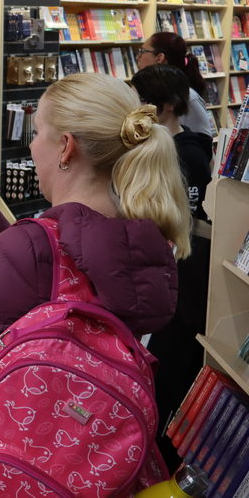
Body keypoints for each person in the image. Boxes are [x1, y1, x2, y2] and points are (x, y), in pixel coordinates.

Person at [0, 73, 185, 375]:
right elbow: (42, 280)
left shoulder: (36, 246)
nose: (31, 147)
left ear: (66, 147)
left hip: (19, 414)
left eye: (36, 133)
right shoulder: (137, 232)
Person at [132, 63, 213, 471]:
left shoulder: (188, 155)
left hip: (182, 268)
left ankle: (163, 456)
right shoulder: (176, 148)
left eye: (143, 102)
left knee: (172, 362)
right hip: (171, 265)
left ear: (164, 107)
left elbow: (185, 217)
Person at [136, 31, 213, 136]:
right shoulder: (151, 92)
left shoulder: (189, 97)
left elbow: (202, 141)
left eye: (142, 51)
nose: (137, 57)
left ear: (159, 58)